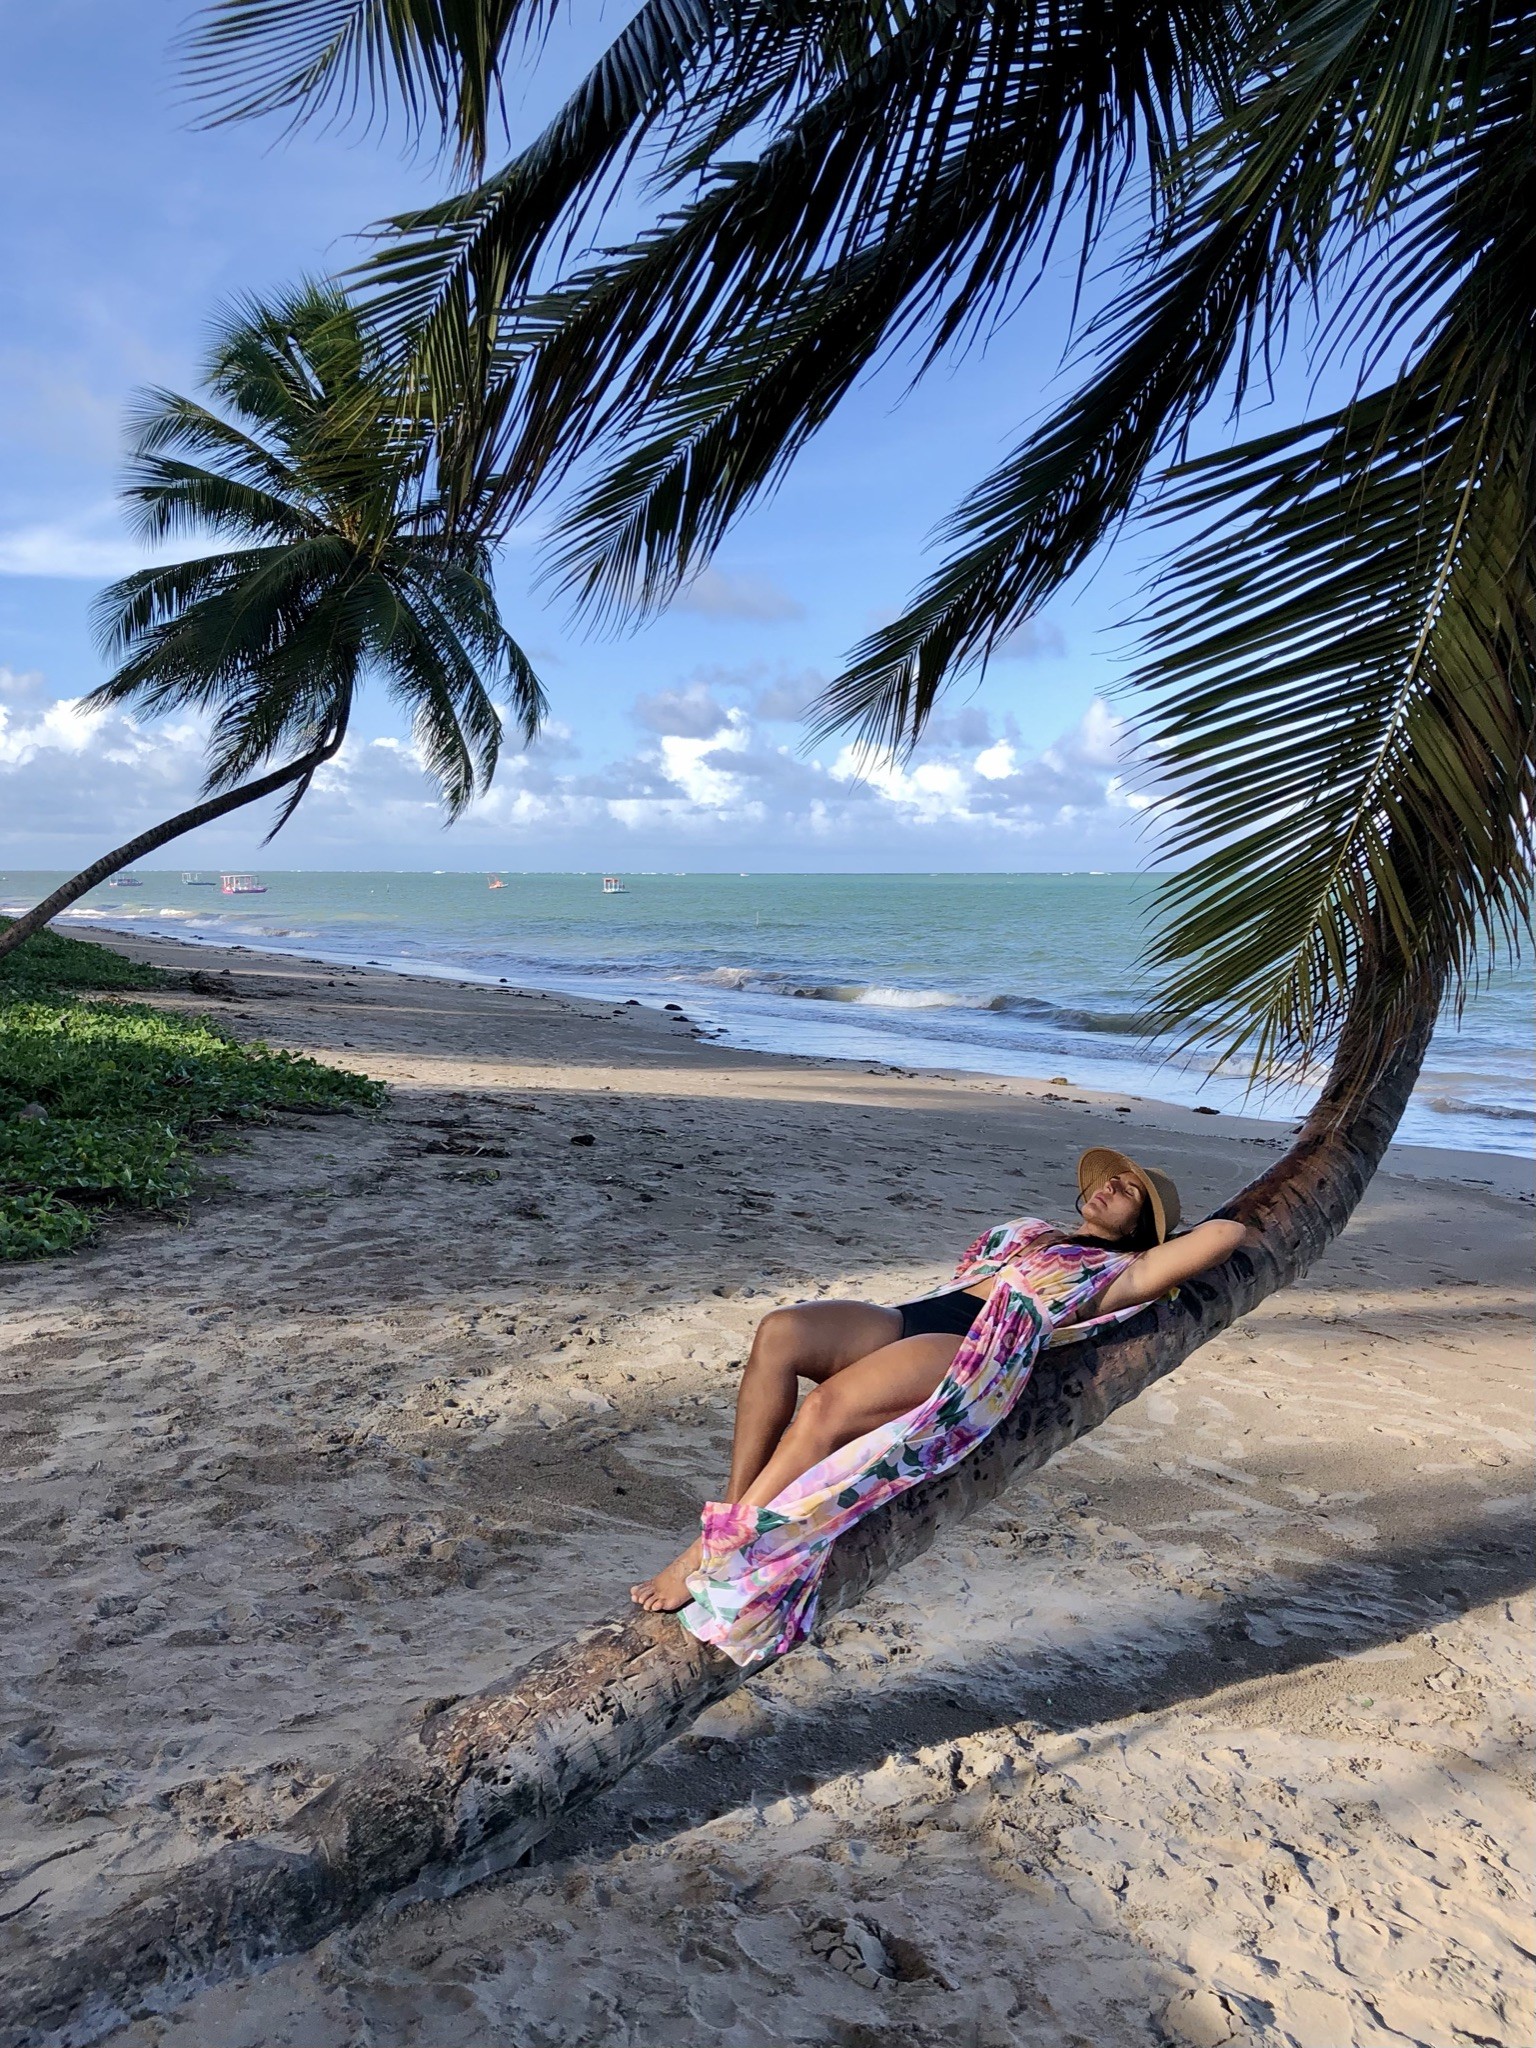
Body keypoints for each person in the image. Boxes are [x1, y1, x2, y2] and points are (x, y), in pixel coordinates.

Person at [631, 1145, 1248, 1666]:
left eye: (1128, 1193)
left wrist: (1165, 1239)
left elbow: (1230, 1233)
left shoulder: (1119, 1272)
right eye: (1109, 1180)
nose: (1110, 1188)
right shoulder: (1036, 1232)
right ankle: (732, 1520)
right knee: (780, 1332)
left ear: (1144, 1230)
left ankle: (707, 1552)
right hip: (920, 1312)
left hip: (969, 1345)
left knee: (823, 1413)